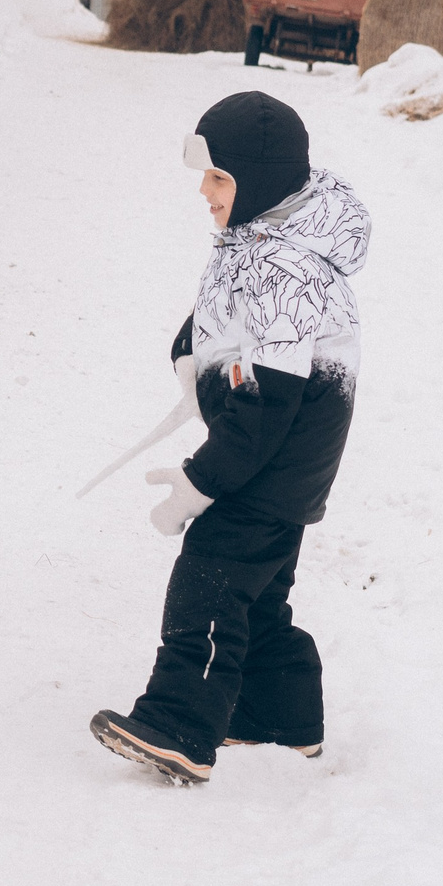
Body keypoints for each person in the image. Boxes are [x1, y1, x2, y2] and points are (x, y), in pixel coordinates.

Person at [91, 91, 371, 785]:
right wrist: (191, 354)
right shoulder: (261, 238)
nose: (204, 191)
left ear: (260, 179)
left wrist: (201, 481)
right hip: (281, 461)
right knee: (259, 594)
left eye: (218, 176)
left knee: (210, 584)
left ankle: (179, 724)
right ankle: (279, 715)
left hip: (271, 461)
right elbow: (218, 310)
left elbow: (265, 404)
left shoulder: (287, 269)